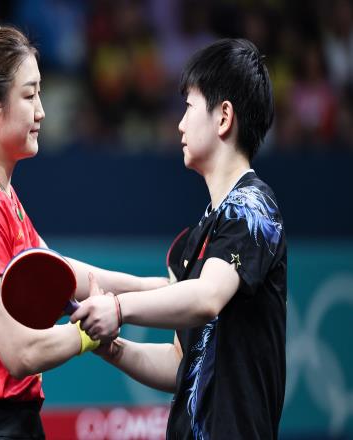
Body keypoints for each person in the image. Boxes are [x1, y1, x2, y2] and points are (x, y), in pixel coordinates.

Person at [0, 25, 166, 440]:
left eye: (40, 94)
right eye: (29, 96)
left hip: (13, 422)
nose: (41, 112)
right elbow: (20, 351)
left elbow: (59, 272)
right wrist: (89, 333)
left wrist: (156, 287)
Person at [71, 38, 286, 440]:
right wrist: (111, 348)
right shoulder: (201, 234)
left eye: (189, 107)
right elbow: (178, 362)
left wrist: (117, 309)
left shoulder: (253, 208)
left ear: (224, 117)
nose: (180, 124)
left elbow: (206, 297)